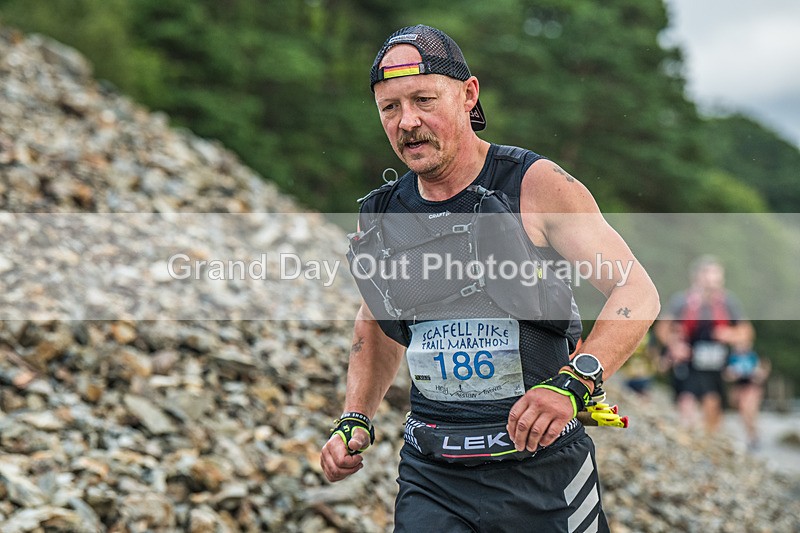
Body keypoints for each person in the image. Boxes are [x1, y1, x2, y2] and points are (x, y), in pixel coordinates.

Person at [320, 25, 660, 532]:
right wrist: (355, 417)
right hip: (432, 475)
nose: (408, 121)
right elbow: (378, 320)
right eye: (389, 108)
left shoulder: (535, 185)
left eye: (423, 100)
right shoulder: (385, 212)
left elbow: (636, 290)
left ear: (468, 94)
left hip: (540, 472)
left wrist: (576, 381)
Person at [655, 255, 753, 434]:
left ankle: (709, 440)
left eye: (716, 276)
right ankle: (688, 436)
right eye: (707, 275)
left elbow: (746, 332)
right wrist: (674, 346)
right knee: (686, 401)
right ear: (697, 277)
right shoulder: (682, 301)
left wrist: (729, 334)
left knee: (713, 404)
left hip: (715, 362)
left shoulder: (728, 302)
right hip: (688, 359)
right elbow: (662, 328)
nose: (711, 281)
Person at [724, 339, 770, 450]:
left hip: (752, 387)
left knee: (749, 411)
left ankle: (753, 436)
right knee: (743, 413)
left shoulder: (753, 357)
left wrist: (757, 375)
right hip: (740, 387)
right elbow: (727, 375)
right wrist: (733, 374)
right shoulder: (732, 358)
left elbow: (763, 372)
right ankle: (752, 435)